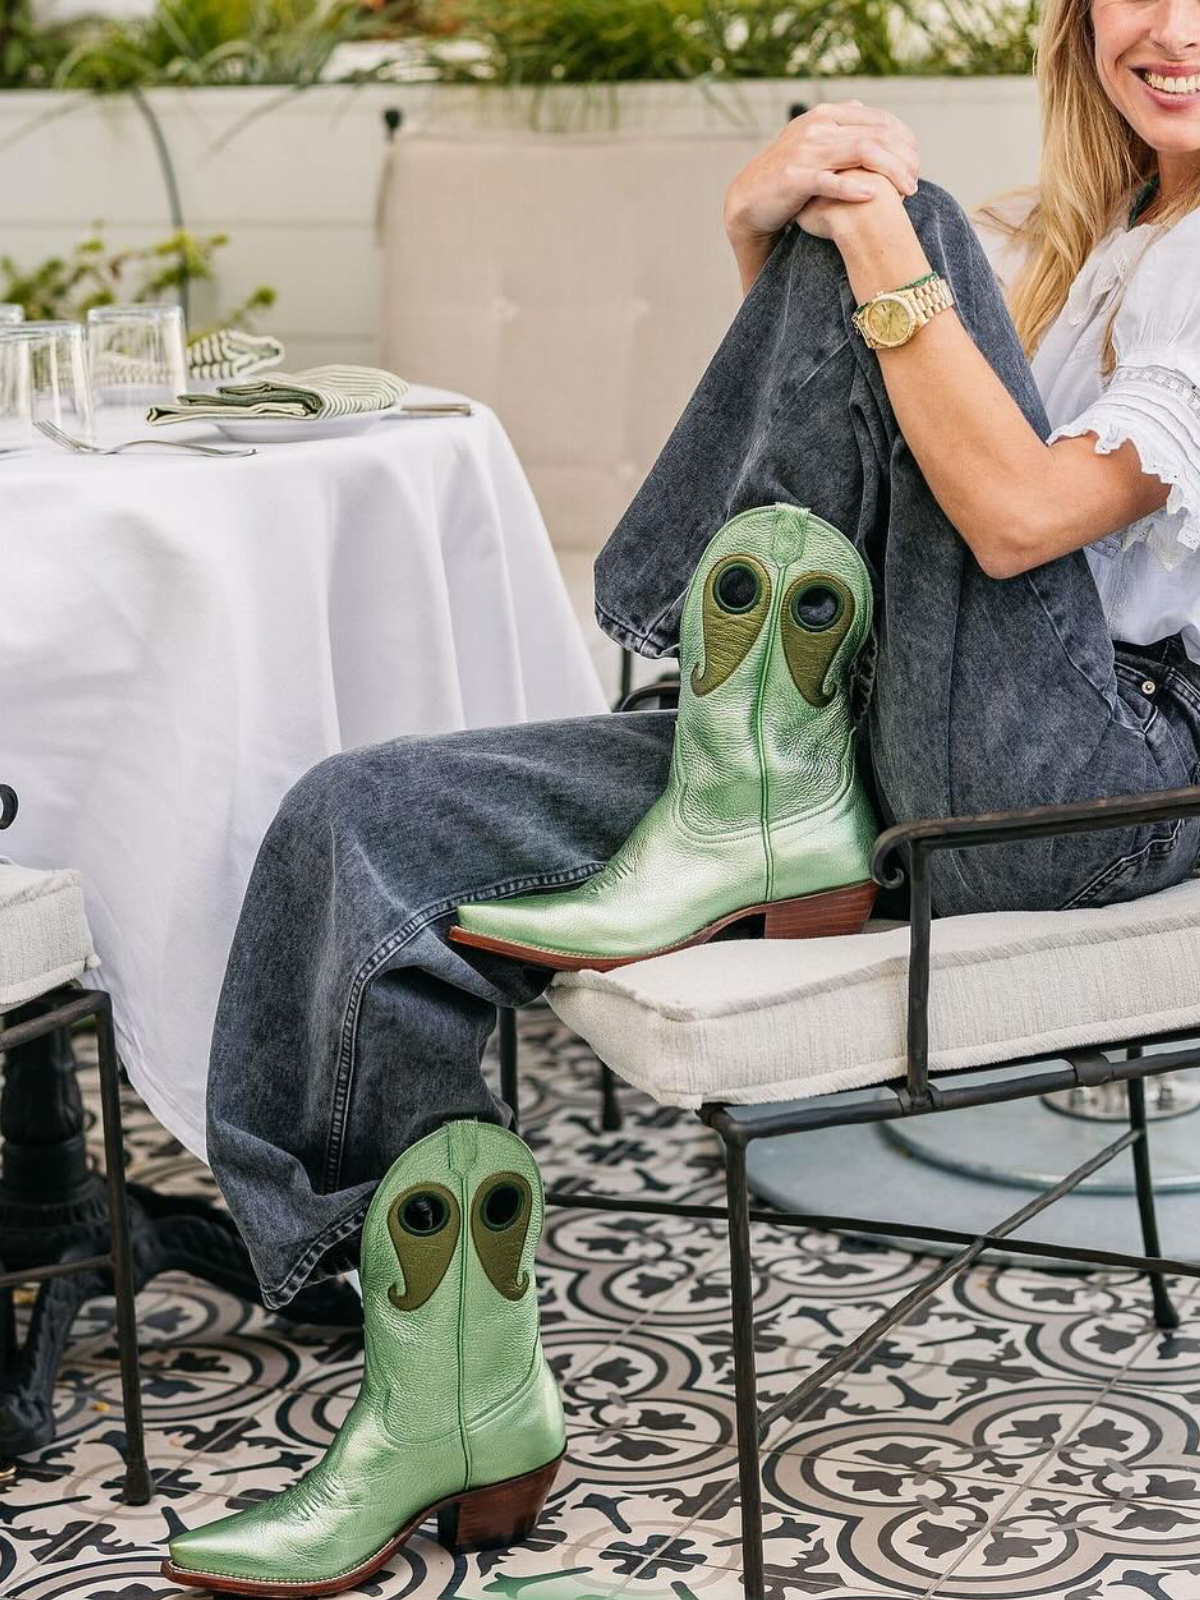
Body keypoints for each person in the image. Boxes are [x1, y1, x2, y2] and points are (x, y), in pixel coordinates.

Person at [174, 0, 1200, 1589]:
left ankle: (731, 758)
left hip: (1101, 785)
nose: (1170, 22)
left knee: (894, 215)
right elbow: (858, 462)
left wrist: (882, 240)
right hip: (856, 746)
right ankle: (448, 1401)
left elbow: (1008, 522)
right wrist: (762, 233)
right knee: (360, 825)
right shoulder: (1092, 243)